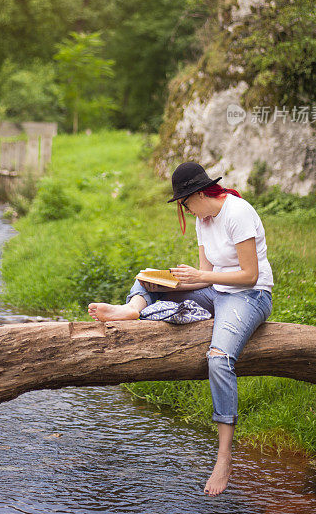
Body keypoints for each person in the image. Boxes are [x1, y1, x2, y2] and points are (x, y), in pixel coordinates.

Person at [88, 161, 274, 498]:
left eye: (185, 202)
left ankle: (224, 457)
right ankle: (132, 309)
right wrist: (185, 280)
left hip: (250, 296)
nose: (185, 210)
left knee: (218, 359)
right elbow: (206, 272)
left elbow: (249, 275)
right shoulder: (204, 220)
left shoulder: (238, 212)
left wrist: (201, 278)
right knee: (148, 276)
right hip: (217, 292)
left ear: (200, 193)